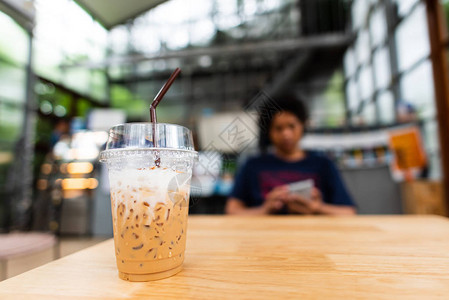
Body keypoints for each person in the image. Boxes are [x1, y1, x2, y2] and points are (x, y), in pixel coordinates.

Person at [226, 93, 356, 215]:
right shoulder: (252, 166)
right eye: (278, 128)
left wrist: (317, 208)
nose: (286, 134)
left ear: (302, 126)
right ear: (268, 132)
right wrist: (265, 209)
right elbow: (232, 212)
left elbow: (348, 213)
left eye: (291, 126)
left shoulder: (323, 164)